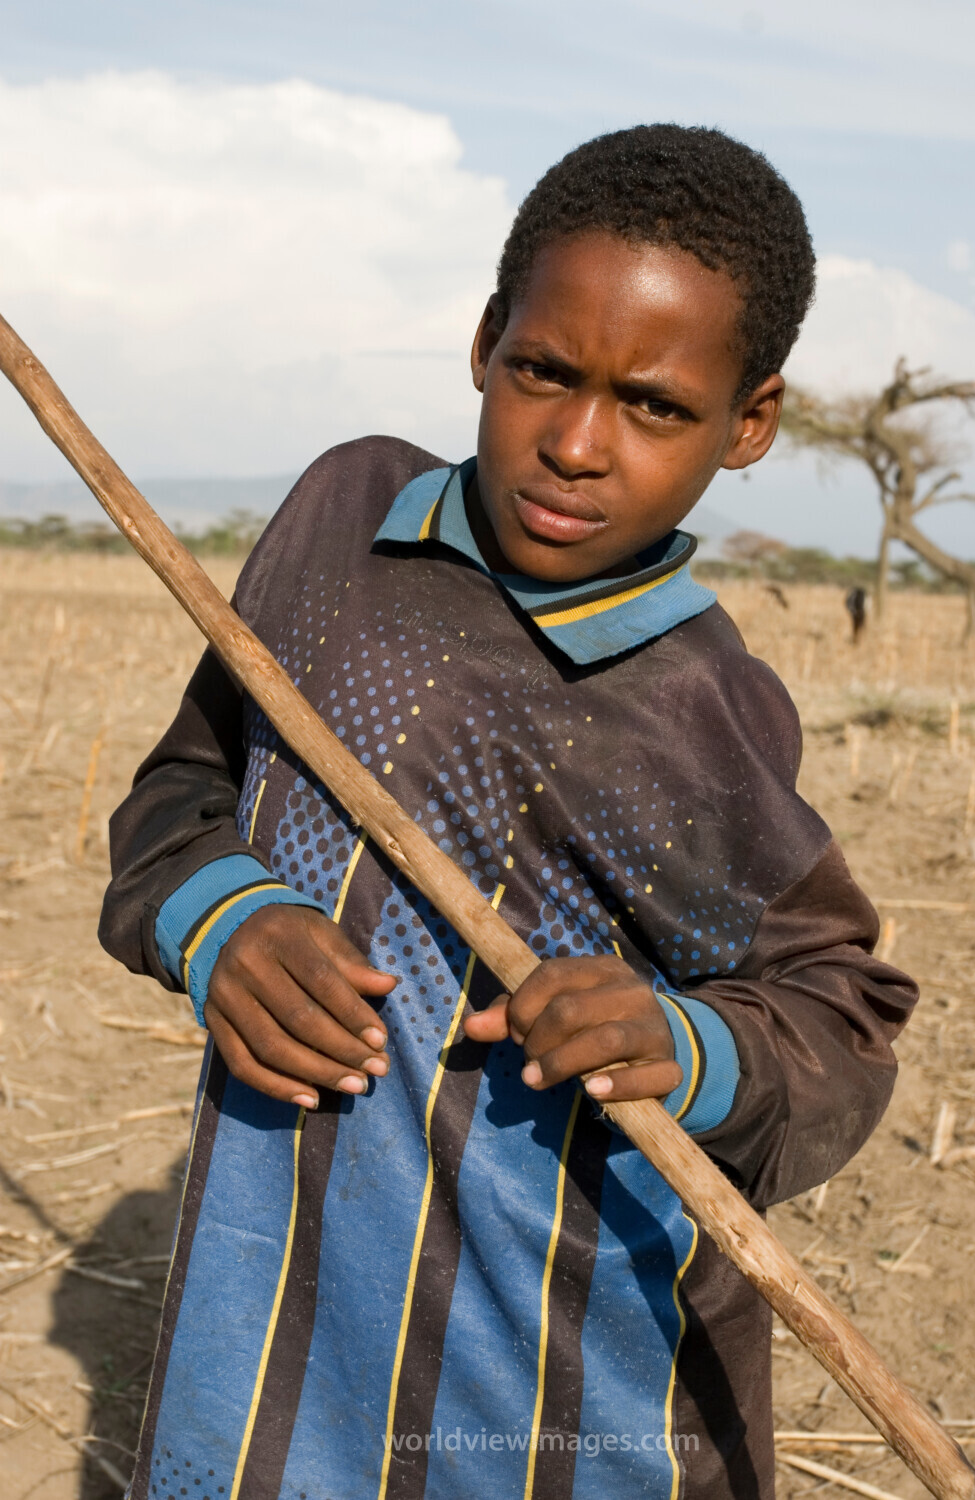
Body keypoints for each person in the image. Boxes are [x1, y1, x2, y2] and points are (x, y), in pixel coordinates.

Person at [100, 125, 917, 1500]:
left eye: (654, 406)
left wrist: (678, 1039)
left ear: (751, 422)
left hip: (547, 1393)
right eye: (544, 370)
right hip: (266, 1348)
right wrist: (221, 917)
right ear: (487, 340)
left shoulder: (705, 712)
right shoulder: (342, 521)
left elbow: (838, 1009)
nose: (578, 444)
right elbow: (180, 795)